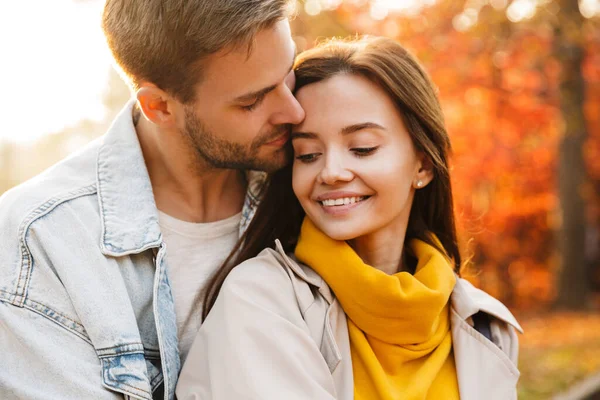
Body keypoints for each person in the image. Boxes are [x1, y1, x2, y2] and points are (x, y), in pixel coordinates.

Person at [177, 36, 523, 400]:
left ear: (422, 163)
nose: (331, 172)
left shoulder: (486, 325)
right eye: (308, 154)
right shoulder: (260, 302)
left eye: (362, 148)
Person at [0, 1, 303, 399]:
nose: (294, 111)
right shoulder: (40, 241)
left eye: (289, 73)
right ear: (159, 107)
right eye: (252, 102)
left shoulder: (317, 188)